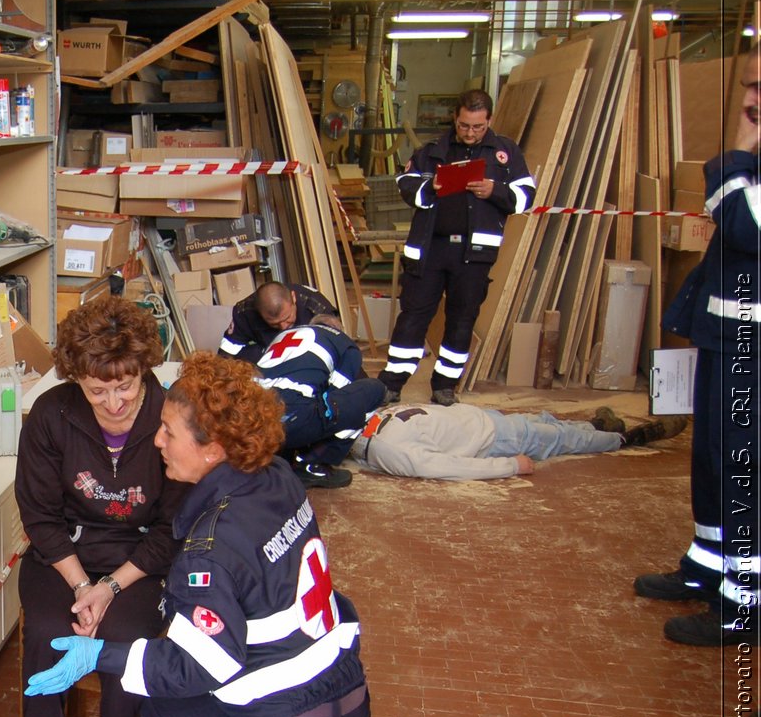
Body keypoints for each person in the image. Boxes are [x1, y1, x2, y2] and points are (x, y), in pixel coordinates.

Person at [24, 353, 397, 717]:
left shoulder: (212, 548)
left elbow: (198, 667)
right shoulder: (273, 477)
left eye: (169, 433)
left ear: (213, 450)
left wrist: (102, 655)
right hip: (339, 693)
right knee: (163, 713)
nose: (158, 442)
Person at [10, 296, 189, 717]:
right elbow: (39, 515)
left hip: (141, 557)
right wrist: (81, 583)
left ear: (144, 371)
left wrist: (108, 589)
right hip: (65, 551)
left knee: (125, 635)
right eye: (97, 390)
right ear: (77, 381)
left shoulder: (170, 416)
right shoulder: (51, 413)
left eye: (125, 387)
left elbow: (172, 528)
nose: (113, 402)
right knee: (47, 629)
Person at [636, 51, 761, 647]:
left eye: (760, 88)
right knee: (711, 460)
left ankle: (743, 608)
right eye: (747, 87)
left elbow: (739, 224)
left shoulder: (749, 159)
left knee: (742, 468)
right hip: (726, 337)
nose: (749, 100)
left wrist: (740, 144)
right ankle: (707, 570)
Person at [382, 89, 535, 407]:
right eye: (465, 125)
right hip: (430, 250)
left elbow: (525, 197)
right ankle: (392, 383)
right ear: (456, 118)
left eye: (477, 127)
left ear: (489, 121)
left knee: (462, 319)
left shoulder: (504, 153)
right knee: (413, 317)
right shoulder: (434, 150)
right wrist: (430, 188)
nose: (470, 132)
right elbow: (405, 183)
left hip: (474, 255)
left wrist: (495, 190)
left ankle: (445, 385)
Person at [351, 404, 687, 481]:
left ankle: (596, 425)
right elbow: (449, 467)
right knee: (560, 439)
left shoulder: (367, 420)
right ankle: (627, 438)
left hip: (481, 420)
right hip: (494, 439)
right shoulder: (389, 450)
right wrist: (512, 466)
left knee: (546, 423)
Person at [251, 324, 387, 489]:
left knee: (298, 398)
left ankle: (281, 455)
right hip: (292, 419)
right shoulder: (345, 345)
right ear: (337, 328)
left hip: (250, 420)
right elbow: (337, 394)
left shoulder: (285, 334)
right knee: (372, 391)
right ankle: (312, 464)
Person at [219, 280, 344, 362]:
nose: (283, 327)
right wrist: (264, 354)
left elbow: (339, 349)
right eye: (274, 324)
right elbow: (226, 354)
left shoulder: (317, 307)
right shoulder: (245, 312)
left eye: (287, 318)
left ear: (293, 298)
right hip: (268, 363)